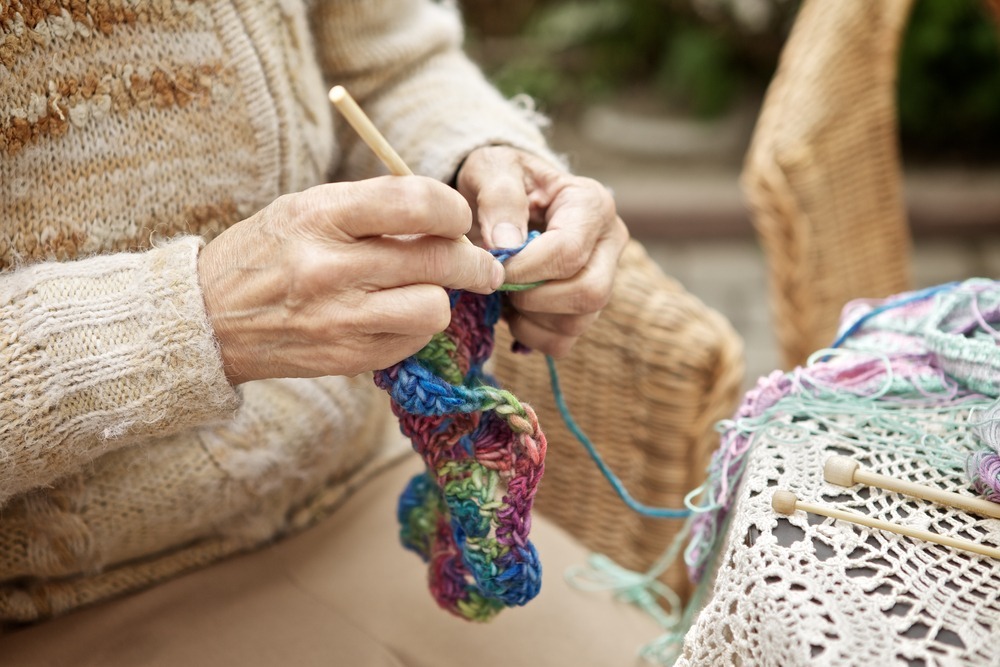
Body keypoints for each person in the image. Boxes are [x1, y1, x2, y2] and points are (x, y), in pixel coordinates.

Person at [0, 1, 649, 663]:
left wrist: (480, 160)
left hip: (359, 468)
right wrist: (191, 320)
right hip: (55, 595)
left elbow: (393, 66)